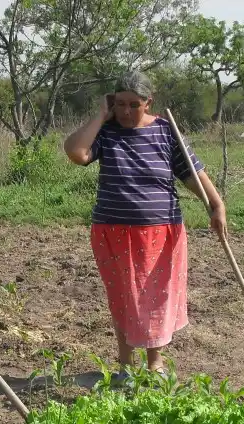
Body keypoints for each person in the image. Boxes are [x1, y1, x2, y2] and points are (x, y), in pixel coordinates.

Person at [63, 71, 227, 374]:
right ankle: (125, 366)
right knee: (123, 297)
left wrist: (216, 205)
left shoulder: (166, 132)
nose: (126, 111)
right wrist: (101, 115)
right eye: (120, 104)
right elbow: (76, 152)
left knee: (156, 296)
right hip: (113, 230)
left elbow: (192, 174)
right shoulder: (107, 131)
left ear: (148, 102)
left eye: (134, 105)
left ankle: (155, 364)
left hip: (161, 232)